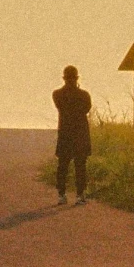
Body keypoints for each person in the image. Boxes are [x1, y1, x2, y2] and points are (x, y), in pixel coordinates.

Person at [53, 65, 93, 204]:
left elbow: (61, 107)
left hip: (65, 133)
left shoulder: (57, 94)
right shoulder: (84, 95)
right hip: (80, 133)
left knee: (63, 165)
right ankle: (80, 194)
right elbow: (86, 109)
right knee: (80, 165)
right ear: (77, 78)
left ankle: (61, 194)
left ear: (64, 78)